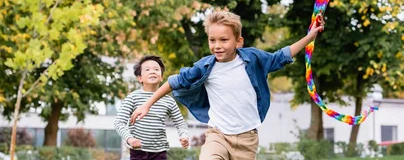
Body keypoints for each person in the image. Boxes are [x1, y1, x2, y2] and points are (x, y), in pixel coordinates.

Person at [130, 11, 325, 160]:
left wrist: (311, 36)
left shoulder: (254, 58)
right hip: (218, 134)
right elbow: (174, 81)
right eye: (212, 40)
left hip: (247, 138)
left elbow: (281, 56)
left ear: (238, 41)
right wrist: (147, 104)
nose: (217, 46)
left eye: (224, 40)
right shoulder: (205, 66)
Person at [114, 55, 190, 160]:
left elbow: (181, 123)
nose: (152, 71)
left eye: (156, 69)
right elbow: (119, 122)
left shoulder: (169, 101)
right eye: (147, 69)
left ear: (162, 76)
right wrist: (129, 139)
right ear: (139, 78)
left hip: (159, 152)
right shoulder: (133, 97)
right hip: (138, 152)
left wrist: (184, 136)